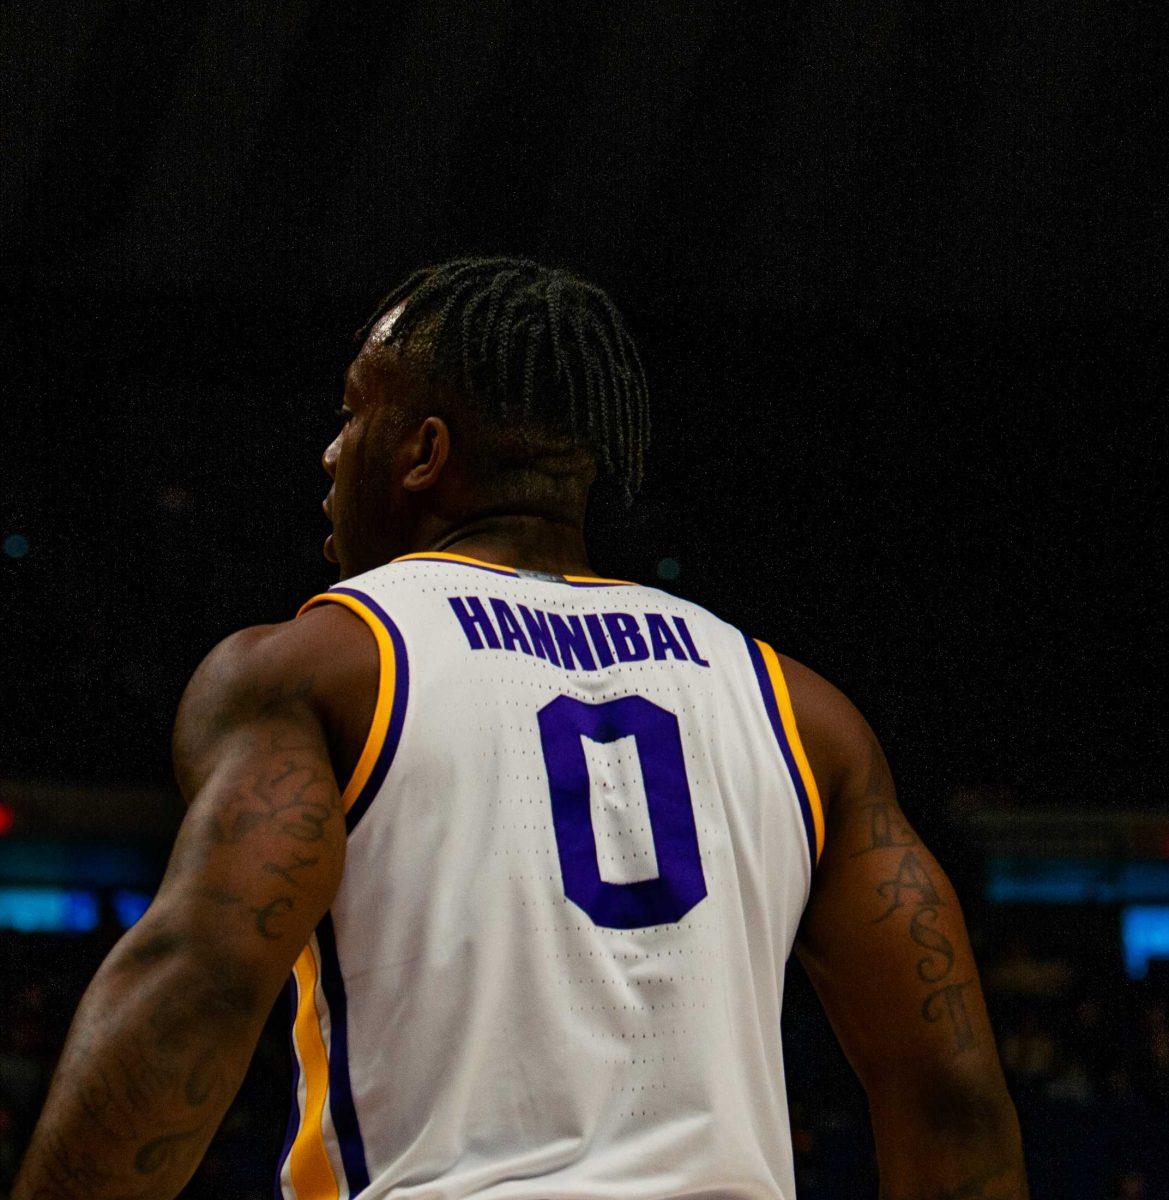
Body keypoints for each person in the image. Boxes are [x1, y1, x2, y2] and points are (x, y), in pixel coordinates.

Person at [14, 257, 1027, 1200]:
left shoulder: (317, 670)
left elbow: (193, 987)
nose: (328, 456)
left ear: (423, 454)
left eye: (349, 416)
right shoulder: (802, 712)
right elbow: (947, 1096)